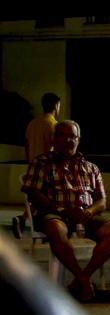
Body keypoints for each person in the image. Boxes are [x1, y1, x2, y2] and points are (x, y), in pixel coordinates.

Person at [21, 121, 110, 302]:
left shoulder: (90, 167)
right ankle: (83, 279)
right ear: (54, 138)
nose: (69, 140)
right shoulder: (43, 162)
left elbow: (102, 200)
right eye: (63, 136)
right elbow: (33, 193)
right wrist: (62, 210)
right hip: (54, 213)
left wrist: (90, 211)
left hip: (85, 215)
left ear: (79, 139)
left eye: (73, 137)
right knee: (56, 228)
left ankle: (82, 277)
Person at [13, 93, 61, 238]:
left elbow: (27, 145)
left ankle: (22, 219)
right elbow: (57, 149)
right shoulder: (54, 125)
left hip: (32, 167)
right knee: (48, 200)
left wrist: (30, 162)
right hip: (46, 169)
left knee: (35, 199)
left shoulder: (32, 123)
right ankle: (45, 227)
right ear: (55, 106)